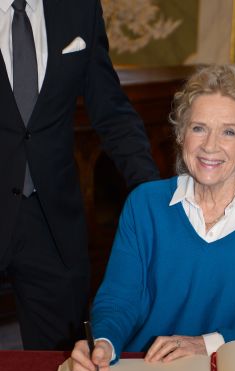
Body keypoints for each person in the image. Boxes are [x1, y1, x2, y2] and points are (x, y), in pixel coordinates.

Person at [71, 64, 235, 371]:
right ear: (180, 134)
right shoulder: (145, 204)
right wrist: (104, 345)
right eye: (199, 128)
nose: (210, 146)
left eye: (229, 131)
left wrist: (210, 344)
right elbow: (119, 301)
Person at [0, 0, 159, 350]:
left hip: (52, 220)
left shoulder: (79, 7)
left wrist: (151, 192)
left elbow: (111, 109)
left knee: (61, 365)